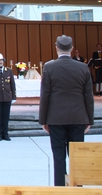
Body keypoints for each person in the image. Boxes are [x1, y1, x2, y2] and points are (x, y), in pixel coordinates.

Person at [39, 34, 94, 186]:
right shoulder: (83, 67)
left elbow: (45, 96)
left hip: (56, 118)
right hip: (78, 118)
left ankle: (60, 189)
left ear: (56, 48)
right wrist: (89, 119)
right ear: (72, 48)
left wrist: (43, 120)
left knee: (58, 156)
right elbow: (88, 96)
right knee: (77, 156)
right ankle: (77, 187)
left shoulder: (49, 67)